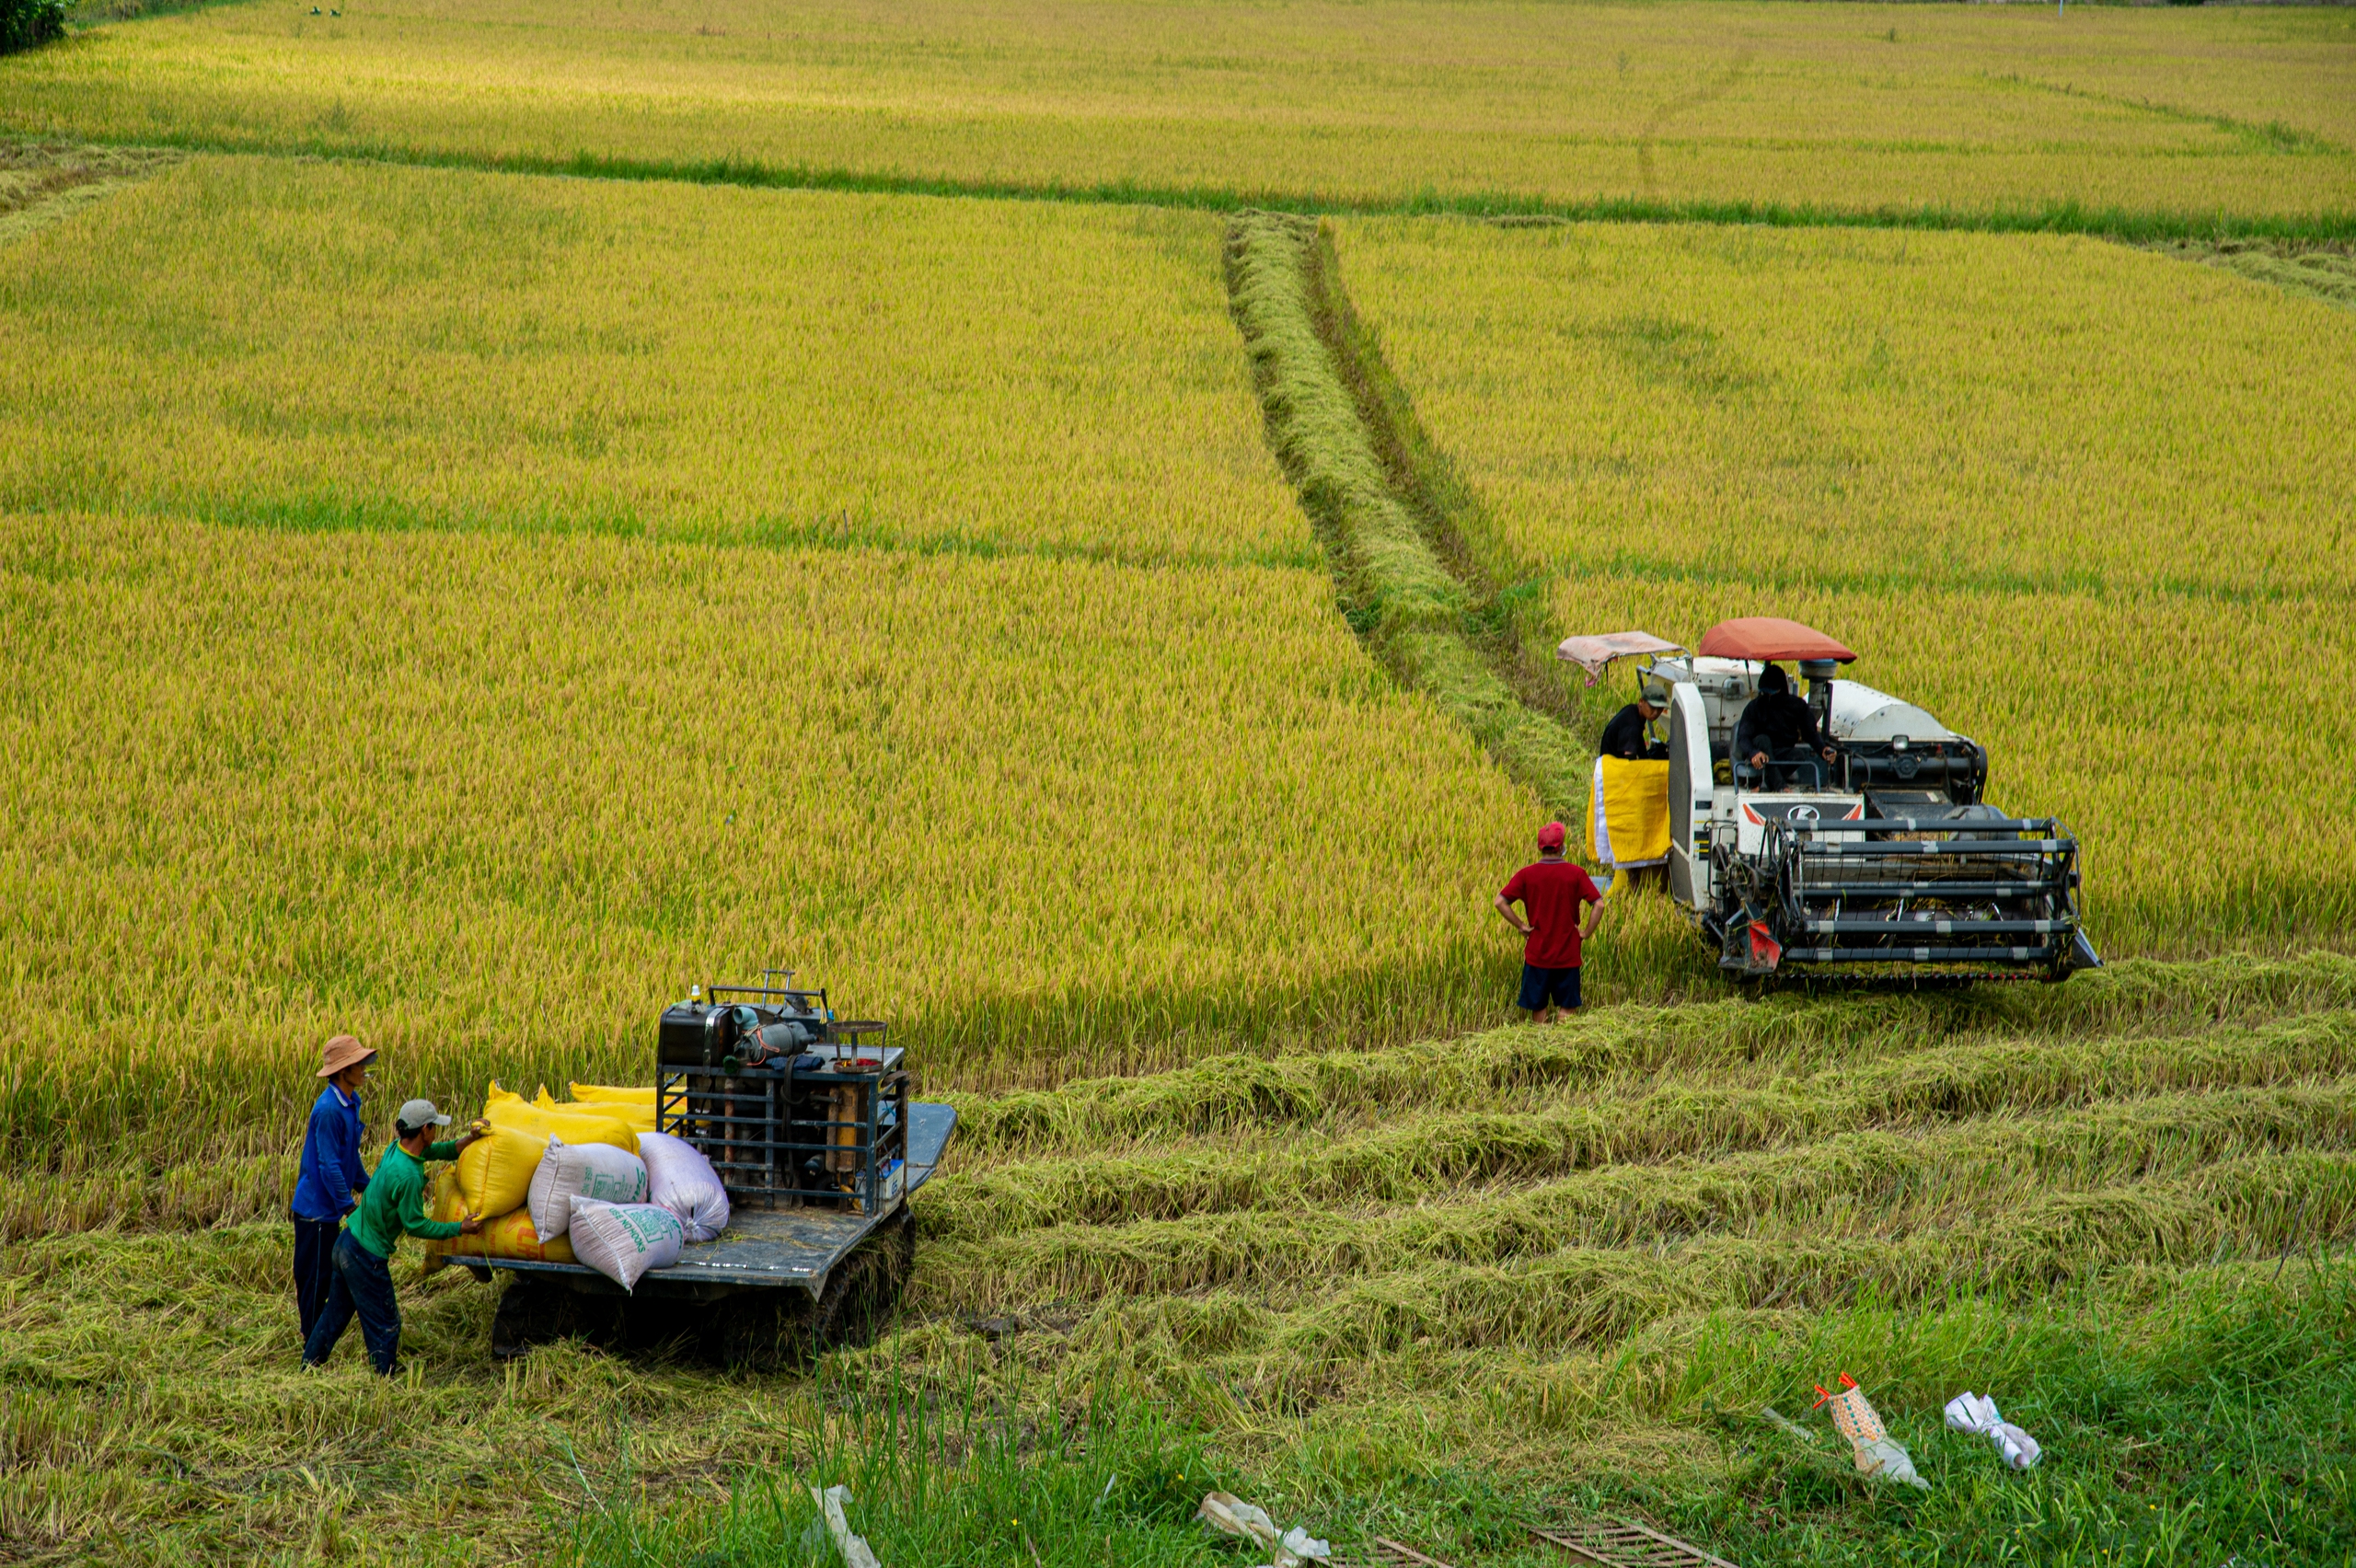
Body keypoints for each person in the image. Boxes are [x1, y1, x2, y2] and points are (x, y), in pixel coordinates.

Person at [302, 1100, 483, 1376]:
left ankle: (308, 1367)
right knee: (386, 1322)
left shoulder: (396, 1149)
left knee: (334, 1316)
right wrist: (459, 1228)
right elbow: (415, 1225)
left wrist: (469, 1140)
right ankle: (384, 1380)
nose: (437, 1133)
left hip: (347, 1243)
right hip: (365, 1257)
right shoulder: (409, 1176)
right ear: (424, 1130)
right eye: (434, 1127)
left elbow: (439, 1151)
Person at [291, 1034, 377, 1344]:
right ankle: (310, 1343)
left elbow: (349, 1156)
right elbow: (328, 1164)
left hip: (329, 1208)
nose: (364, 1068)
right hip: (315, 1211)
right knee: (315, 1278)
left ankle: (315, 1339)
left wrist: (369, 1186)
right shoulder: (329, 1110)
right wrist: (348, 1206)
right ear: (343, 1071)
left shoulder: (351, 1102)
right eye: (358, 1064)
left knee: (326, 1276)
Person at [1494, 821, 1606, 1023]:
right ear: (1562, 847)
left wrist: (1521, 926)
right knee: (1567, 1007)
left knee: (1539, 1008)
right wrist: (1586, 932)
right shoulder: (1576, 874)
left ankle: (1543, 1047)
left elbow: (1500, 902)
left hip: (1538, 953)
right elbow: (1599, 905)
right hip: (1568, 953)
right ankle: (1562, 1046)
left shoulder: (1526, 875)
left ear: (1540, 847)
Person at [1735, 663, 1838, 790]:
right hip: (1758, 753)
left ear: (1781, 689)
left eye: (1772, 692)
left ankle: (1766, 782)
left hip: (1780, 753)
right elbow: (1743, 737)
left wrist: (1822, 748)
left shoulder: (1797, 705)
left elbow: (1810, 733)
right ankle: (1780, 786)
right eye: (1765, 693)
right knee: (1763, 739)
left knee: (1798, 755)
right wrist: (1753, 752)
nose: (1769, 696)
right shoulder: (1754, 707)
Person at [1599, 691, 1670, 761]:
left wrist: (1646, 759)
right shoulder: (1632, 724)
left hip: (1607, 762)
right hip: (1611, 767)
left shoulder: (1633, 710)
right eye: (1652, 707)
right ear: (1641, 702)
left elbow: (1639, 743)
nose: (1656, 713)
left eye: (1660, 708)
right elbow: (1630, 759)